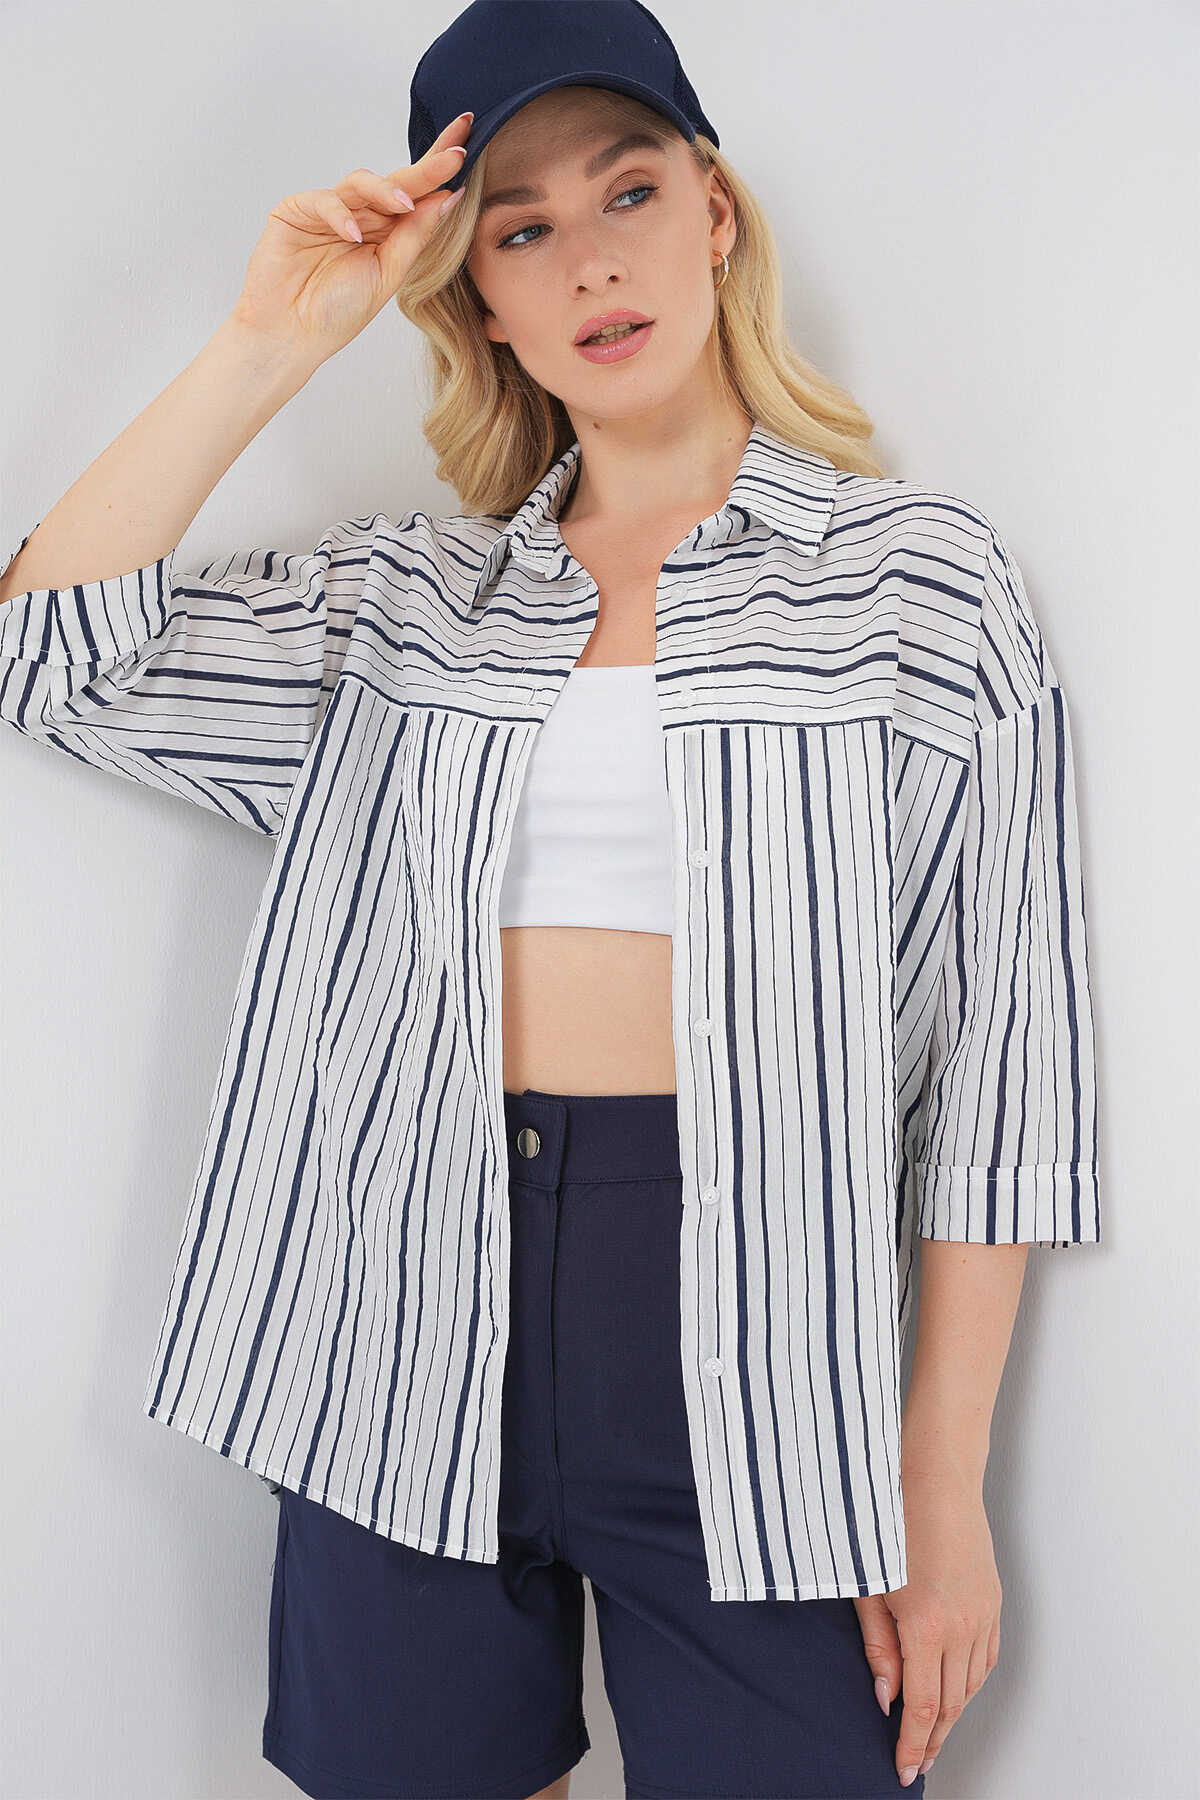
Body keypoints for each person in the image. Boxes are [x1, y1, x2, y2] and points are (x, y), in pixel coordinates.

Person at [0, 3, 1102, 1796]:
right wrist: (273, 340)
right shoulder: (404, 605)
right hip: (396, 1310)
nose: (590, 259)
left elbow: (1004, 1065)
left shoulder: (919, 583)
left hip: (759, 1333)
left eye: (629, 190)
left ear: (715, 215)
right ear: (479, 303)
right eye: (519, 227)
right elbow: (50, 656)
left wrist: (942, 1472)